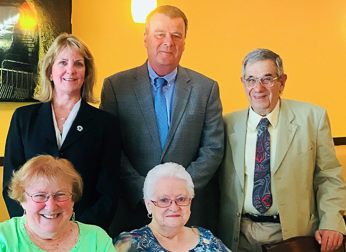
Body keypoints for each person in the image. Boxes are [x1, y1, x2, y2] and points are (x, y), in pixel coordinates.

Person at [100, 5, 224, 237]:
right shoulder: (116, 87)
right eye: (160, 34)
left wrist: (179, 195)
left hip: (188, 214)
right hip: (133, 209)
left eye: (176, 35)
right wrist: (145, 192)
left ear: (184, 42)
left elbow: (213, 148)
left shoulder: (206, 89)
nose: (169, 41)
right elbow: (110, 149)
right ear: (145, 38)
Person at [219, 48, 346, 252]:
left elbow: (329, 177)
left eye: (267, 78)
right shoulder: (226, 125)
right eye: (251, 79)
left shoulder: (313, 119)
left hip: (292, 235)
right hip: (238, 236)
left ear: (282, 81)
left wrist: (332, 221)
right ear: (243, 83)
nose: (258, 88)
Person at [3, 33, 121, 232]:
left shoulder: (105, 124)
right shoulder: (23, 118)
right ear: (50, 72)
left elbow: (109, 190)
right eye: (63, 62)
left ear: (86, 73)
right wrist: (29, 228)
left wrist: (81, 231)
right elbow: (11, 183)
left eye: (78, 64)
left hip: (85, 232)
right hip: (31, 231)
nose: (70, 70)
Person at [0, 155, 116, 251]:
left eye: (60, 195)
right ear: (22, 200)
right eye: (40, 196)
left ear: (72, 199)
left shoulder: (97, 239)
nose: (51, 206)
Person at [113, 162, 230, 252]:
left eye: (181, 199)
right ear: (148, 205)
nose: (174, 207)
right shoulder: (130, 244)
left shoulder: (207, 239)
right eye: (164, 200)